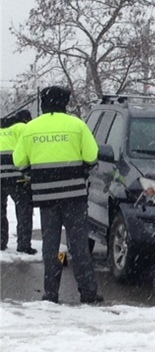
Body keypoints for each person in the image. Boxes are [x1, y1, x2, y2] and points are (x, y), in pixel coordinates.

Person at [13, 86, 104, 304]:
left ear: (43, 104)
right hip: (74, 196)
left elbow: (19, 161)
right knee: (78, 245)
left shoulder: (31, 128)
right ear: (65, 103)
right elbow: (92, 156)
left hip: (46, 197)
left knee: (50, 245)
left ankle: (51, 293)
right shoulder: (77, 125)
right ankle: (88, 292)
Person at [0, 110, 36, 254]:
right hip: (17, 178)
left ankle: (1, 242)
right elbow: (30, 149)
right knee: (24, 211)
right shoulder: (22, 127)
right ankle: (23, 244)